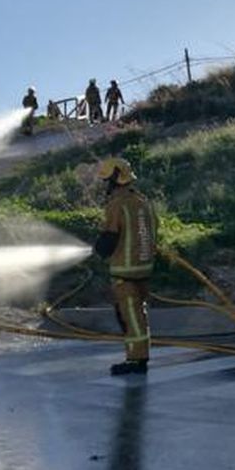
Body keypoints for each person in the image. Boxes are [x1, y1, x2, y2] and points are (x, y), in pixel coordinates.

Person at [93, 157, 156, 376]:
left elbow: (110, 235)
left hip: (125, 270)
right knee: (138, 313)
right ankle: (139, 355)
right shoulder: (141, 201)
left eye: (107, 180)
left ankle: (136, 360)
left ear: (116, 177)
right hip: (144, 267)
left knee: (129, 315)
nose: (105, 184)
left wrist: (97, 252)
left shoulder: (117, 203)